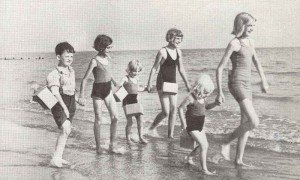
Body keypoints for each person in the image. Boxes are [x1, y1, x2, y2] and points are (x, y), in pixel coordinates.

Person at [216, 12, 269, 166]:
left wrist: (263, 80)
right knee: (254, 121)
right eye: (249, 25)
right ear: (241, 25)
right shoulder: (234, 43)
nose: (252, 28)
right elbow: (219, 69)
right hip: (236, 83)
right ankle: (225, 142)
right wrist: (219, 92)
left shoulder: (250, 42)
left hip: (248, 84)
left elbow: (257, 62)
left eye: (253, 25)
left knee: (245, 121)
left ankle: (238, 160)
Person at [78, 34, 122, 154]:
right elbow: (85, 79)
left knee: (115, 117)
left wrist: (114, 82)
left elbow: (108, 72)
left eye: (110, 47)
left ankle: (111, 145)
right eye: (108, 47)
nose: (110, 49)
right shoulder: (94, 61)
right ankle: (98, 147)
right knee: (98, 119)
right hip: (97, 91)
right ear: (101, 47)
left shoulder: (108, 58)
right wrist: (81, 96)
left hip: (108, 88)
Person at [146, 28, 191, 138]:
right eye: (177, 39)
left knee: (174, 109)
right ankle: (151, 129)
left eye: (181, 39)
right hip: (162, 82)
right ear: (170, 38)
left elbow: (181, 69)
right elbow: (154, 68)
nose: (179, 41)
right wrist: (149, 83)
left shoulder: (178, 52)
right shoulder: (162, 51)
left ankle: (170, 136)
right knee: (165, 112)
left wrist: (187, 83)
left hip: (172, 83)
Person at [178, 74, 218, 175]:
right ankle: (204, 169)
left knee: (204, 145)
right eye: (205, 92)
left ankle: (189, 157)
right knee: (203, 145)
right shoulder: (191, 97)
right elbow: (180, 108)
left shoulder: (203, 98)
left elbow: (206, 107)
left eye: (208, 93)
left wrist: (215, 104)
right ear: (199, 88)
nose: (206, 95)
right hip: (192, 125)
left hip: (200, 125)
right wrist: (183, 123)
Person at [47, 42, 76, 167]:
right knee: (65, 129)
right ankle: (56, 159)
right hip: (59, 103)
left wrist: (78, 99)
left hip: (71, 102)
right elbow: (55, 93)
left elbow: (72, 87)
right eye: (67, 56)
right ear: (59, 57)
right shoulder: (54, 74)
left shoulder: (71, 70)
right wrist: (64, 107)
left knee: (66, 130)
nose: (70, 59)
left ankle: (57, 157)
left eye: (71, 56)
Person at [116, 60, 148, 144]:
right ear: (129, 70)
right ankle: (128, 139)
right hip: (127, 101)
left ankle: (141, 137)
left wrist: (145, 89)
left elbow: (137, 89)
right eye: (134, 71)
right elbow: (118, 86)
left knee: (140, 119)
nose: (136, 73)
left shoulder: (137, 79)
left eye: (138, 71)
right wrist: (116, 91)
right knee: (130, 121)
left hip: (135, 100)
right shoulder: (125, 78)